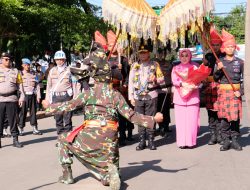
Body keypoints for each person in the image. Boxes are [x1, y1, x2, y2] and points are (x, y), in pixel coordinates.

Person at [42, 43, 163, 190]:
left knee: (62, 139)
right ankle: (110, 174)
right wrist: (153, 119)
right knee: (110, 162)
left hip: (90, 135)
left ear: (95, 76)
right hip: (110, 136)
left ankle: (67, 176)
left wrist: (48, 107)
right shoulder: (115, 94)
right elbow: (131, 116)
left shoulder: (88, 93)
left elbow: (67, 106)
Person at [129, 44, 165, 150]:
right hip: (138, 96)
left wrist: (155, 79)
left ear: (148, 53)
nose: (143, 55)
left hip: (151, 95)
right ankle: (141, 141)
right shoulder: (134, 65)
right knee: (140, 119)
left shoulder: (155, 64)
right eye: (141, 53)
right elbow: (131, 82)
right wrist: (131, 97)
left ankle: (151, 140)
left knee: (151, 118)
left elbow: (161, 80)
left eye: (144, 52)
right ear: (138, 54)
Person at [214, 29, 244, 151]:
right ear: (224, 49)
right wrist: (219, 70)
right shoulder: (220, 62)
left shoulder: (240, 62)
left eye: (232, 46)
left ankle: (235, 140)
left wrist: (241, 92)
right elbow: (216, 78)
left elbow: (246, 80)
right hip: (223, 93)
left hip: (235, 93)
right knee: (224, 119)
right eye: (228, 47)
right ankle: (226, 141)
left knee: (235, 119)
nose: (230, 49)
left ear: (235, 48)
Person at [171, 49, 200, 149]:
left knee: (192, 121)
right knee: (180, 122)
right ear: (179, 57)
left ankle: (191, 142)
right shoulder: (176, 68)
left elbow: (199, 80)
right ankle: (182, 142)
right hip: (179, 99)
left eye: (186, 55)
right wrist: (182, 83)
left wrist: (196, 85)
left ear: (190, 56)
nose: (184, 58)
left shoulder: (195, 67)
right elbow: (174, 81)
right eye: (182, 55)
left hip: (193, 98)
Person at [203, 28, 225, 145]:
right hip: (209, 86)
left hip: (220, 85)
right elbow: (204, 67)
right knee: (211, 112)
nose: (215, 46)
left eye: (217, 44)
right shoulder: (209, 55)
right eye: (213, 44)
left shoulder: (224, 55)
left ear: (220, 45)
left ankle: (220, 135)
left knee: (219, 112)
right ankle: (213, 135)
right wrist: (206, 53)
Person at [45, 50, 75, 135]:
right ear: (55, 60)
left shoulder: (70, 70)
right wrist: (47, 99)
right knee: (58, 119)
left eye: (61, 59)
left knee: (68, 118)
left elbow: (75, 84)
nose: (59, 61)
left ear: (64, 60)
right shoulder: (52, 71)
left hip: (66, 97)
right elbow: (48, 86)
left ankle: (68, 139)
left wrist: (75, 98)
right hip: (56, 97)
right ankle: (60, 138)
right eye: (57, 59)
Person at [0, 52, 24, 148]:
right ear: (1, 59)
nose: (8, 61)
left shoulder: (16, 71)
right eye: (5, 59)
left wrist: (22, 97)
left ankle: (15, 139)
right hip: (0, 99)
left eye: (9, 59)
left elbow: (20, 86)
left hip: (12, 99)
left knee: (13, 120)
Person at [19, 58, 42, 135]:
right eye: (26, 65)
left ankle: (35, 128)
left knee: (33, 112)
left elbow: (37, 85)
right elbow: (20, 87)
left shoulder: (33, 74)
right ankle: (21, 128)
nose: (27, 66)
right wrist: (21, 97)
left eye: (28, 65)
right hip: (24, 95)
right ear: (22, 65)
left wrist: (38, 96)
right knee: (23, 113)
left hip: (32, 95)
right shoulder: (20, 74)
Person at [155, 48, 172, 137]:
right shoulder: (154, 64)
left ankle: (166, 125)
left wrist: (170, 87)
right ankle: (160, 127)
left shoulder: (169, 64)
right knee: (158, 109)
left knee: (166, 109)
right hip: (157, 90)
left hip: (166, 89)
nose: (161, 55)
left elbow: (170, 76)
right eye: (159, 53)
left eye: (163, 54)